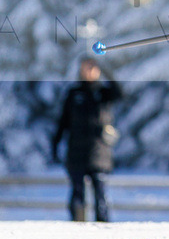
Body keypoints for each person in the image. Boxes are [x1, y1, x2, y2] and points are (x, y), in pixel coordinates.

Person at [51, 57, 124, 222]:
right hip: (76, 151)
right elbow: (63, 122)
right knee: (77, 192)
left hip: (99, 152)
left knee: (100, 192)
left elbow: (120, 93)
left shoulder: (103, 93)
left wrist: (106, 69)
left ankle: (103, 227)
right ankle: (77, 225)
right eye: (86, 67)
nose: (90, 71)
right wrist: (55, 145)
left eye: (93, 68)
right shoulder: (74, 94)